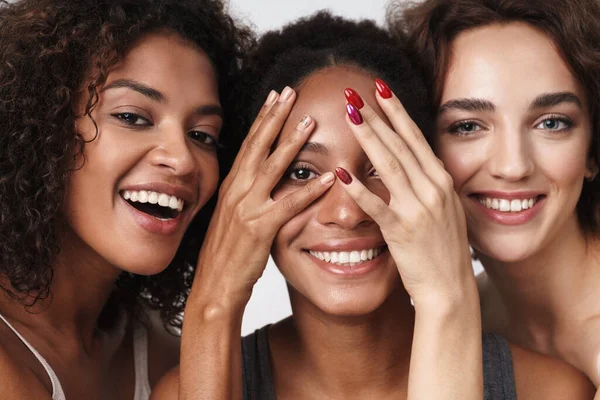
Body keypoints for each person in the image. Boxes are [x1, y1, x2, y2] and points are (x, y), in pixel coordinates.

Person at [152, 12, 594, 399]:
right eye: (302, 173)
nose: (347, 213)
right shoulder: (186, 390)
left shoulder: (553, 391)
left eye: (380, 166)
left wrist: (445, 295)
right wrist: (214, 303)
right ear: (241, 197)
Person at [0, 0, 252, 398]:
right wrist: (215, 303)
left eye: (202, 135)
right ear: (41, 128)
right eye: (133, 117)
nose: (183, 159)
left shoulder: (165, 357)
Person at [391, 0, 600, 392]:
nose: (513, 166)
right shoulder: (457, 313)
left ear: (592, 150)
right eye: (468, 126)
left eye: (551, 123)